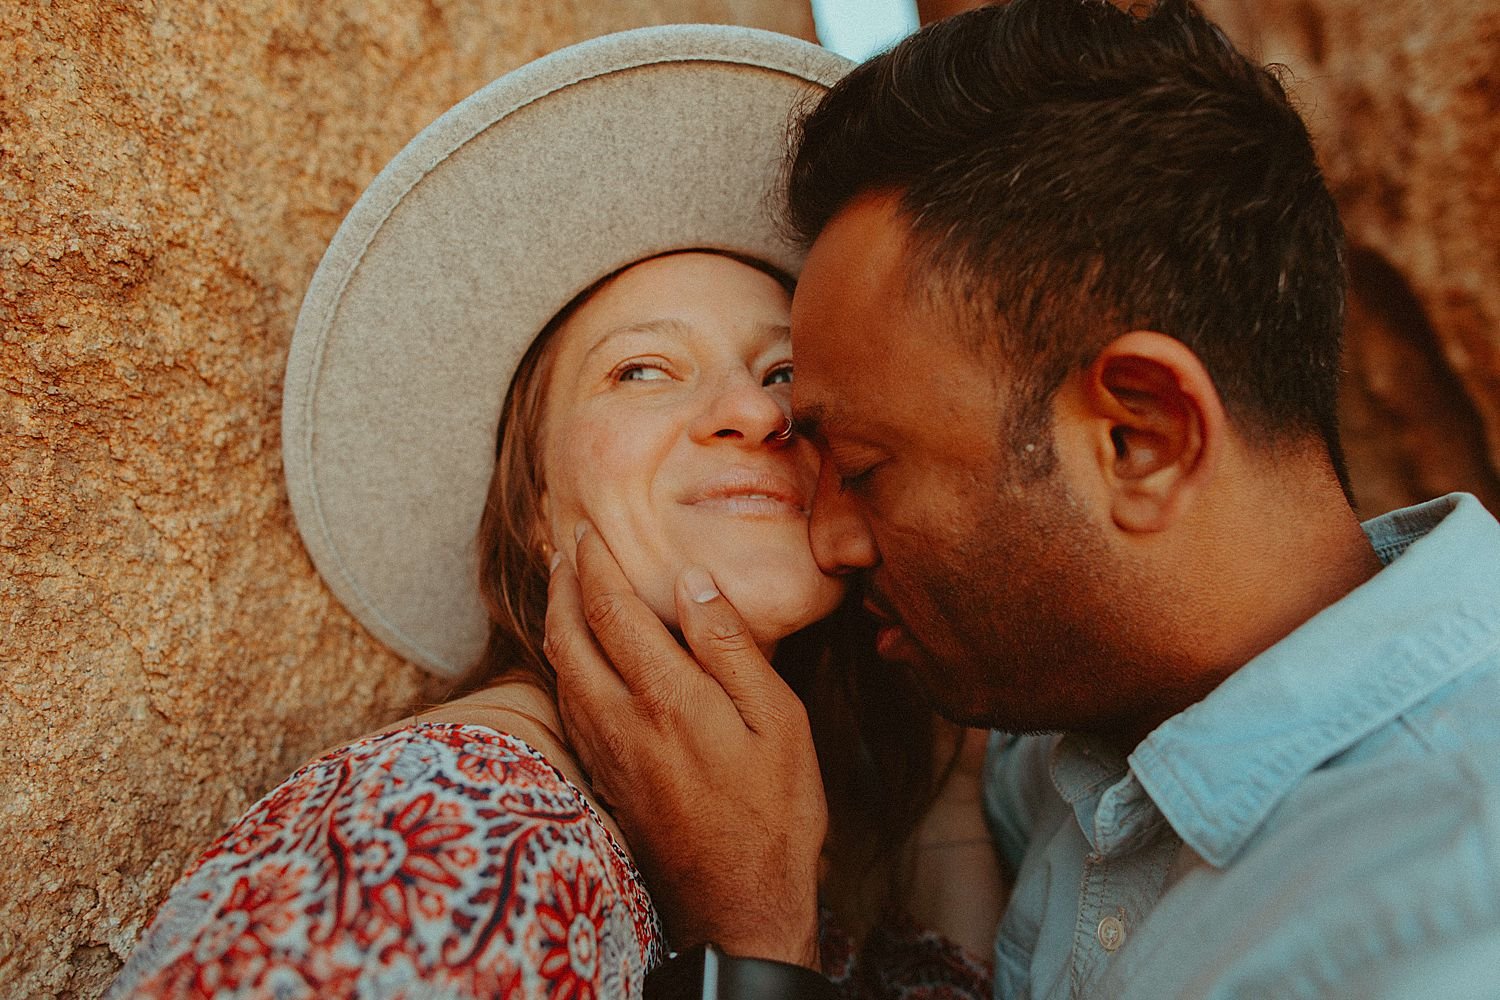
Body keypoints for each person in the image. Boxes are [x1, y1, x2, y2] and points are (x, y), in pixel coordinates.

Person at [545, 2, 1500, 998]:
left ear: (1143, 438)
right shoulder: (1086, 709)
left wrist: (751, 935)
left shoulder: (1452, 913)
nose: (826, 537)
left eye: (866, 468)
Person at [105, 26, 1001, 1000]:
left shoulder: (761, 822)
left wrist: (949, 783)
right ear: (532, 502)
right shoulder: (447, 822)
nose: (754, 410)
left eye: (783, 370)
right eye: (643, 369)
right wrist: (751, 936)